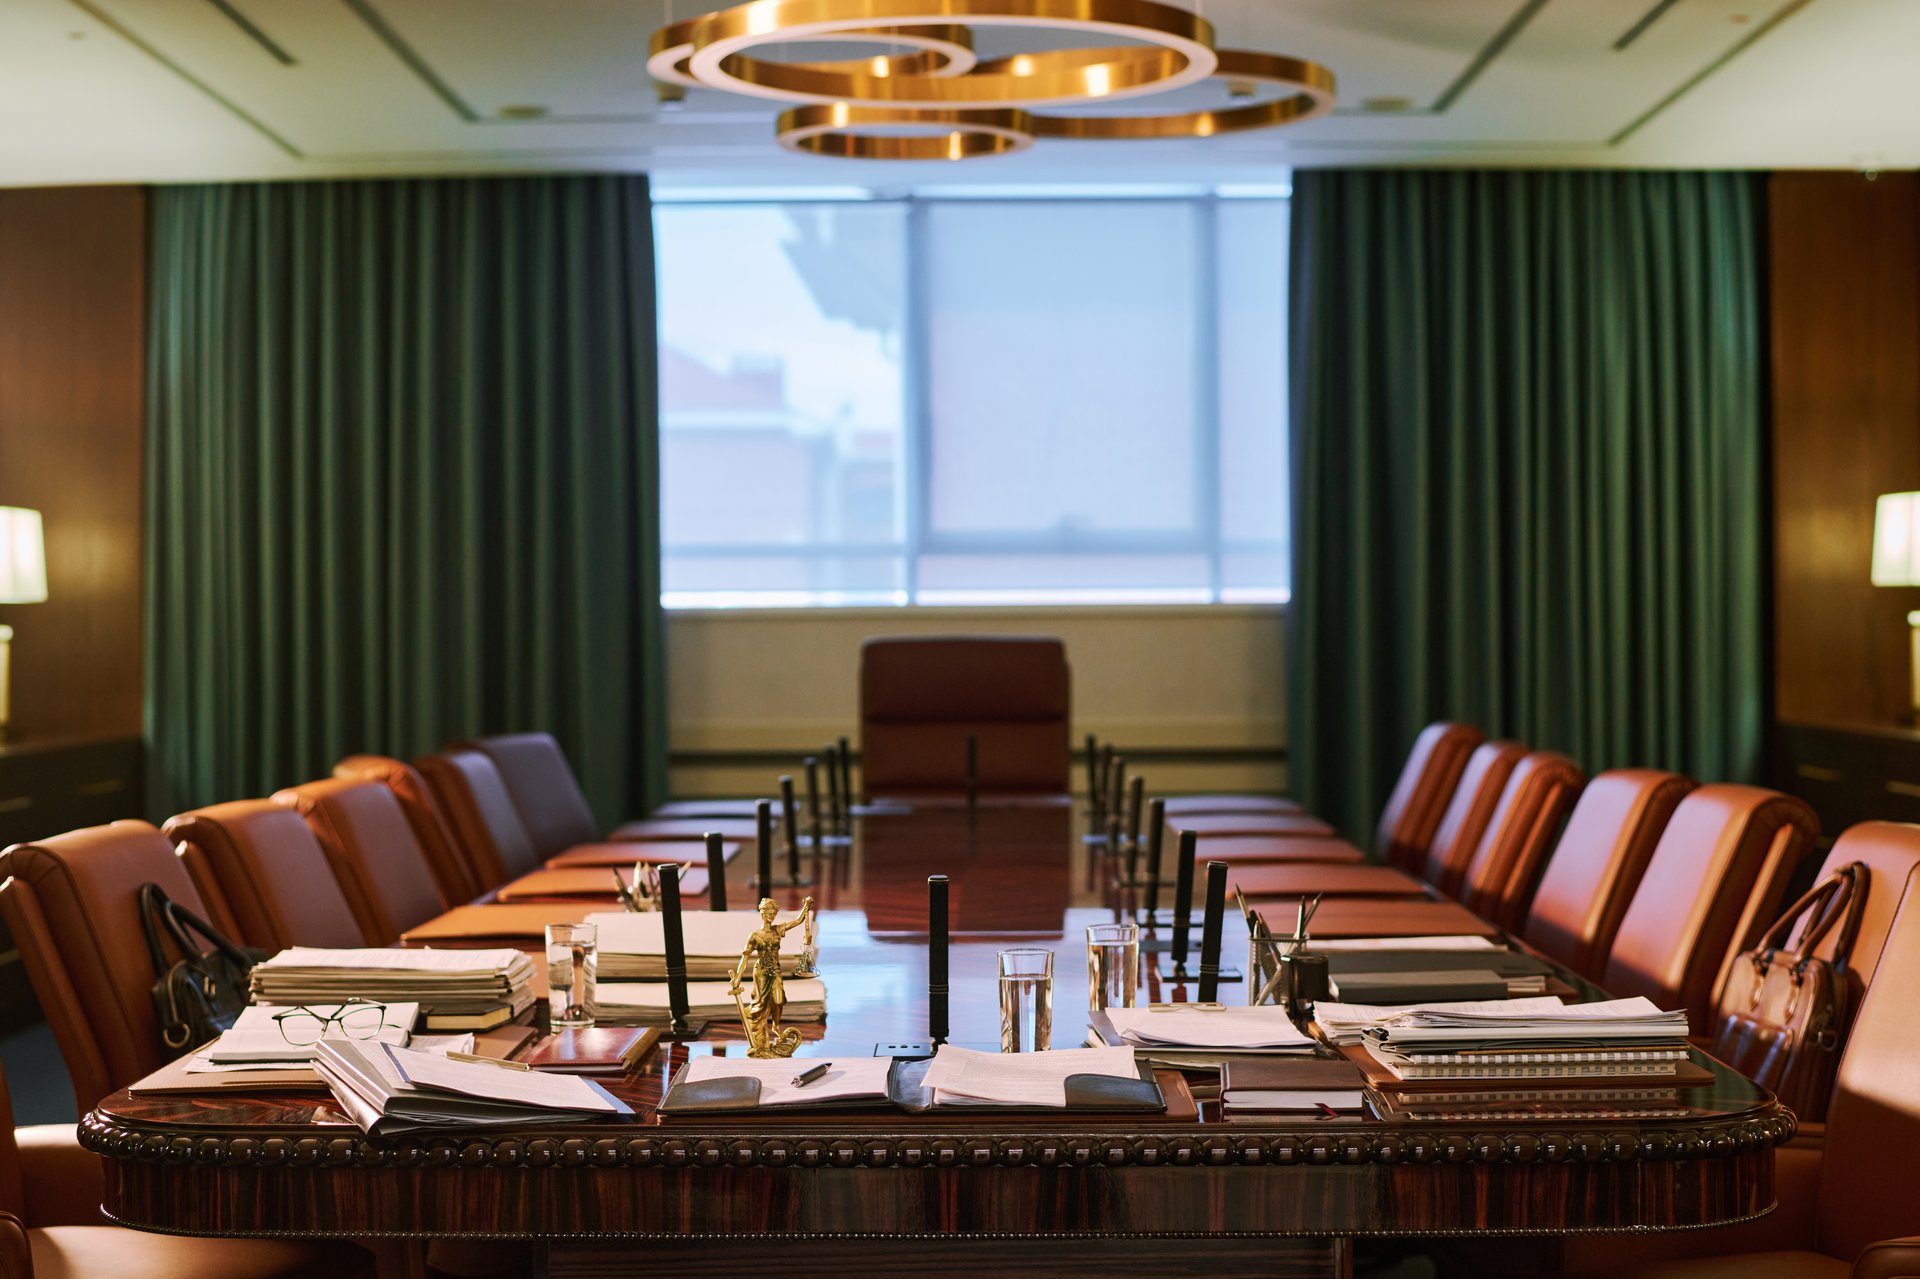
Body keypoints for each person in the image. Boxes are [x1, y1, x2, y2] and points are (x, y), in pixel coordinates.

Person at [728, 895, 815, 1057]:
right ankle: (761, 1045)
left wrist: (806, 907)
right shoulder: (754, 935)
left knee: (778, 999)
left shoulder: (777, 930)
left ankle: (775, 1025)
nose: (772, 915)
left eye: (774, 913)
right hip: (761, 973)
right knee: (761, 1007)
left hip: (775, 971)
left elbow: (797, 921)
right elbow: (745, 957)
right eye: (769, 912)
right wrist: (737, 978)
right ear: (762, 913)